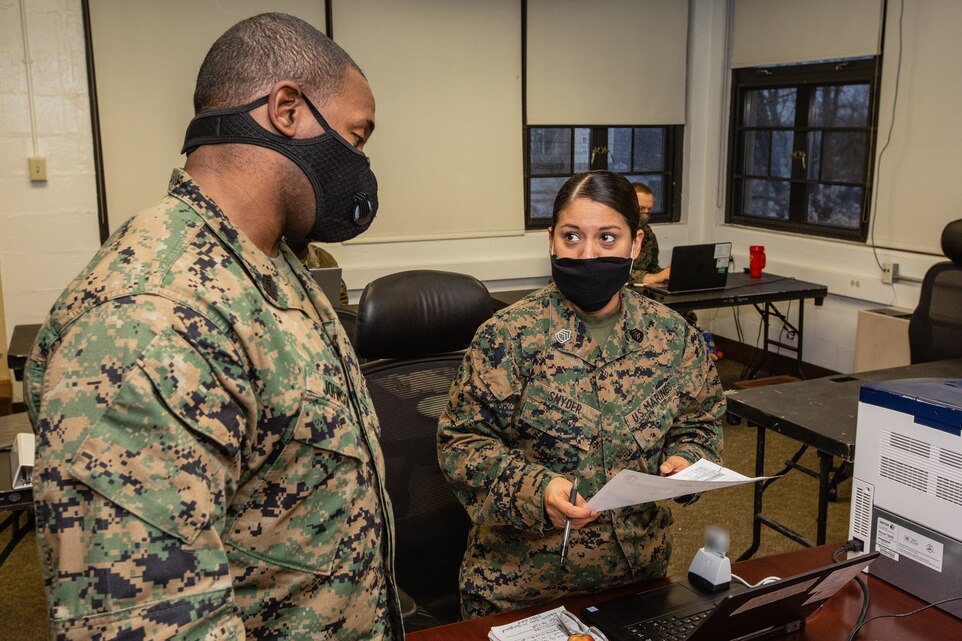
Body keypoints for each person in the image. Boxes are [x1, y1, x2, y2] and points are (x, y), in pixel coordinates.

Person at [24, 13, 402, 640]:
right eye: (356, 137)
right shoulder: (152, 319)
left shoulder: (274, 263)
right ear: (287, 109)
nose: (360, 163)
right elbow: (148, 622)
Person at [437, 170, 725, 618]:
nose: (588, 254)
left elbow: (700, 422)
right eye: (572, 237)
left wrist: (687, 459)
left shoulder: (672, 336)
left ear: (635, 245)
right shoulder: (509, 336)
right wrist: (537, 490)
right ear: (551, 241)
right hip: (523, 588)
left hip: (638, 580)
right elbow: (462, 444)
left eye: (608, 238)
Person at [287, 237, 350, 306]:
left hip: (325, 311)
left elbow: (341, 297)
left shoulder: (323, 257)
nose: (299, 235)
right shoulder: (278, 256)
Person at [630, 182, 670, 285]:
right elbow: (614, 273)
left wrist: (665, 273)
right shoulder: (615, 233)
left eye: (649, 209)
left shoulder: (647, 232)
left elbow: (652, 266)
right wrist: (655, 277)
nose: (646, 214)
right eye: (641, 208)